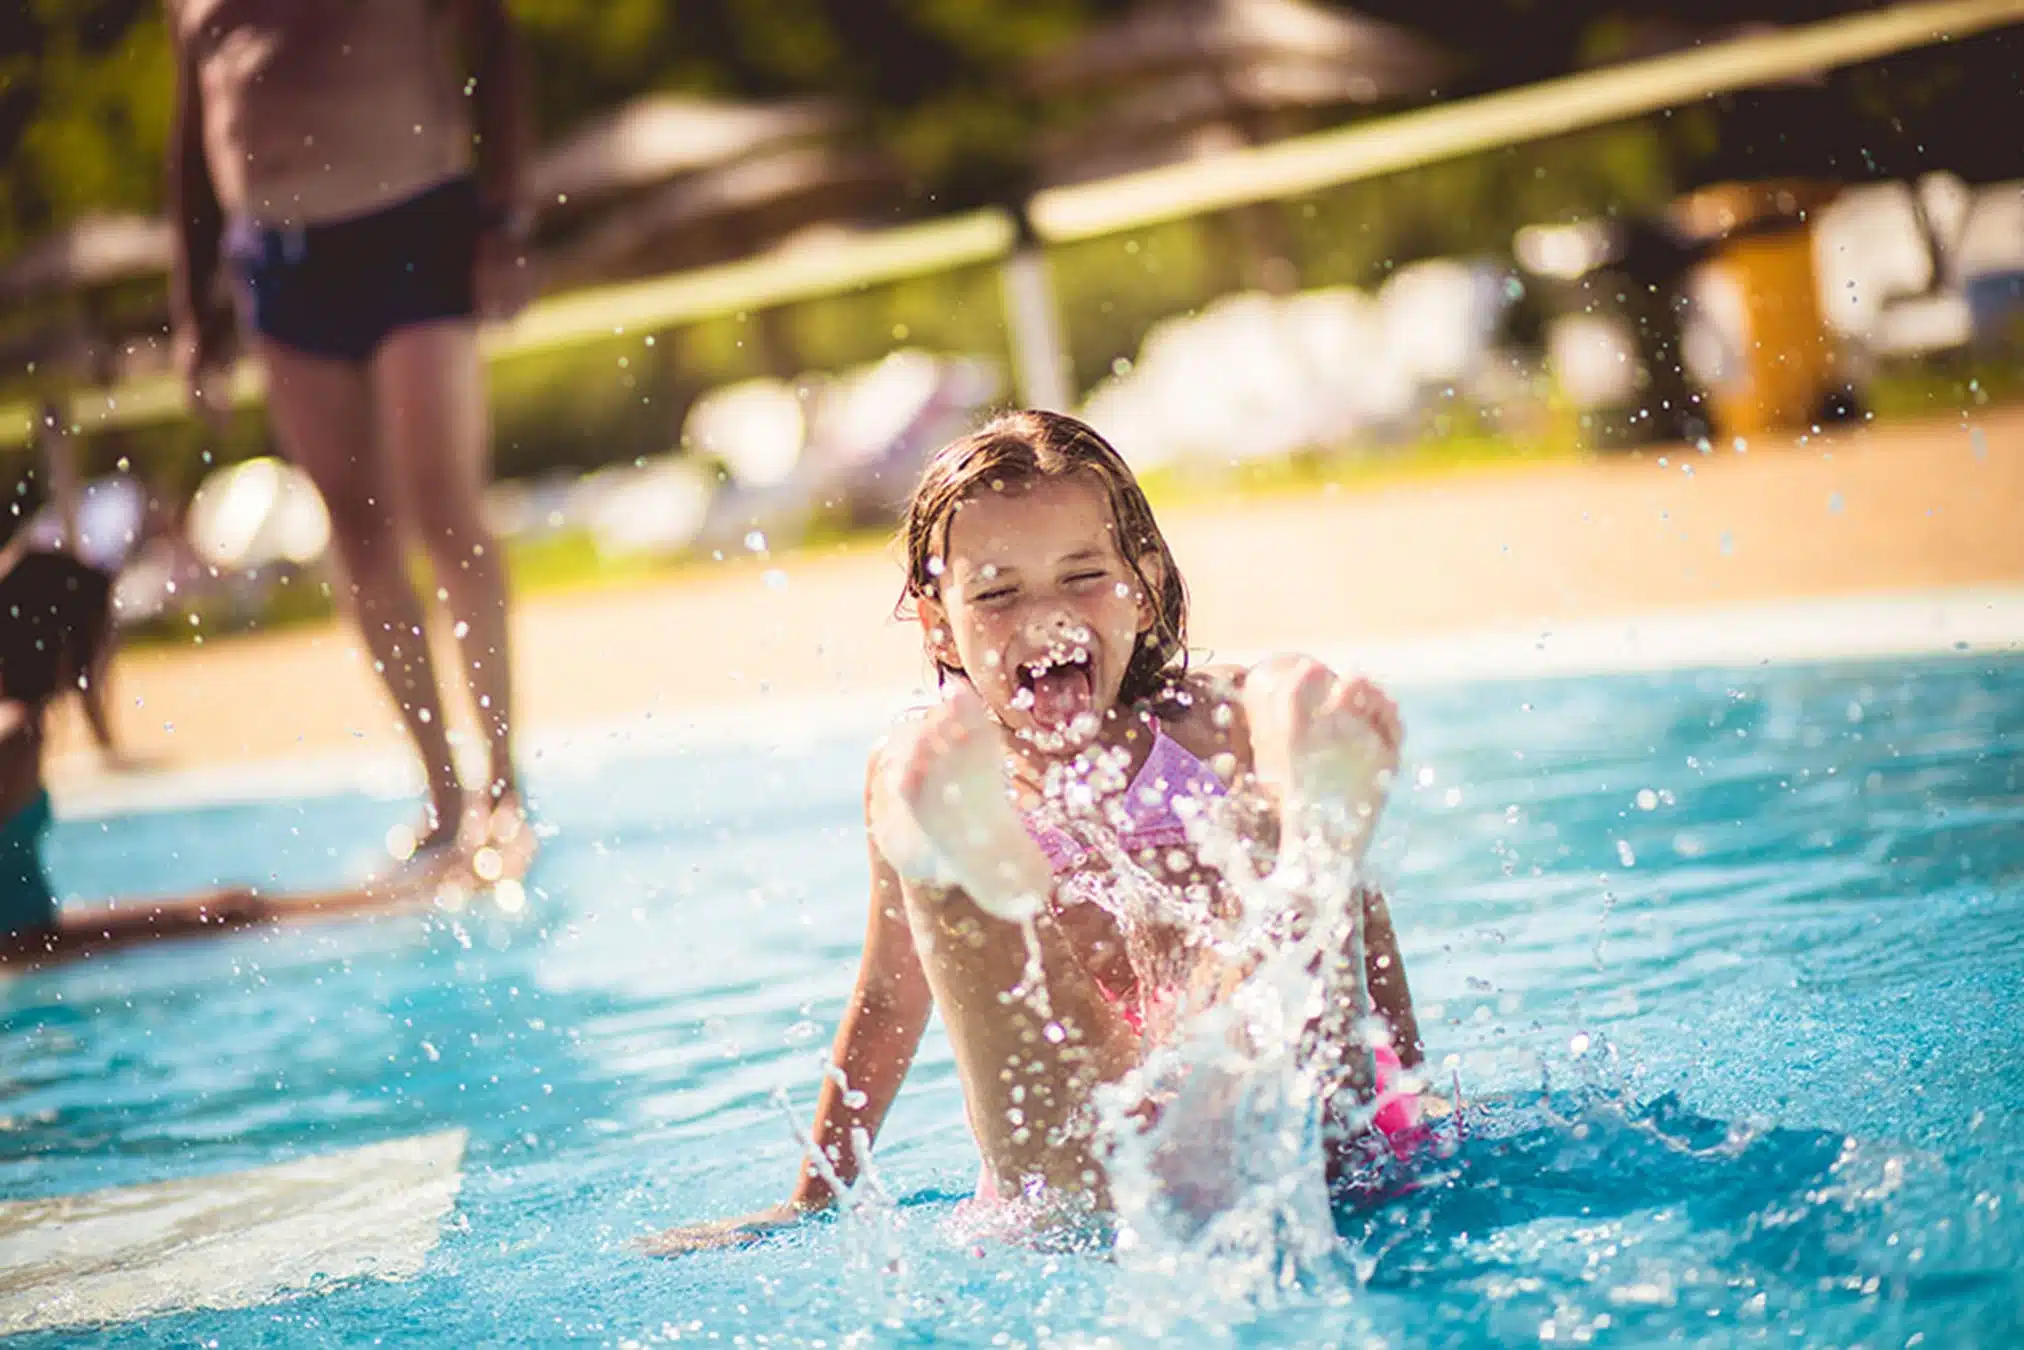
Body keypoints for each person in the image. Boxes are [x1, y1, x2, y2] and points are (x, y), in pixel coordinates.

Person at [641, 410, 1432, 1254]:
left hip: (1285, 1105)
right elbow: (886, 999)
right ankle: (976, 883)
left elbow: (1362, 932)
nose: (1048, 616)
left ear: (1148, 585)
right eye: (996, 592)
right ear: (937, 621)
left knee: (1287, 833)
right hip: (1091, 1165)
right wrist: (809, 1197)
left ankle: (1314, 833)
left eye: (1083, 576)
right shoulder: (939, 774)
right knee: (1073, 1148)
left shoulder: (1220, 725)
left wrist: (1411, 1100)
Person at [165, 0, 536, 881]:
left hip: (413, 224)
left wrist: (506, 219)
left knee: (444, 512)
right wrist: (194, 302)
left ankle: (504, 783)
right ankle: (442, 795)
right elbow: (189, 141)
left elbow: (495, 38)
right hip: (280, 260)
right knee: (358, 533)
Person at [0, 540, 472, 970]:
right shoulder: (15, 733)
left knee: (232, 906)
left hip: (33, 931)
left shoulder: (24, 724)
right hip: (22, 943)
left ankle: (410, 894)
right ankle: (419, 897)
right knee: (233, 910)